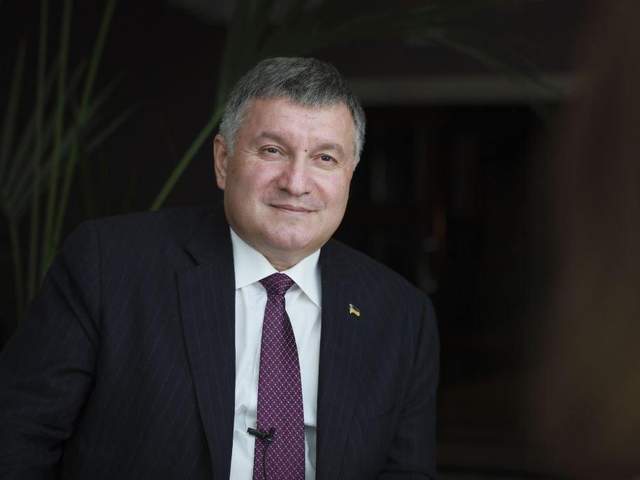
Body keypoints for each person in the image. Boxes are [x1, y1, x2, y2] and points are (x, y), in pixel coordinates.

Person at [0, 57, 439, 479]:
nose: (296, 183)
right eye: (272, 150)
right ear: (223, 160)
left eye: (325, 158)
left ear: (350, 174)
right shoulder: (108, 266)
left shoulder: (401, 315)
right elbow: (17, 441)